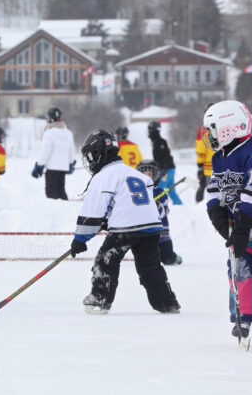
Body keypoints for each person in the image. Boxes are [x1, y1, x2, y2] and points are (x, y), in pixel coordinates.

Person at [71, 129, 180, 315]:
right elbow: (130, 203)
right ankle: (167, 303)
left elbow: (93, 211)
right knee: (150, 268)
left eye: (91, 156)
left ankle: (99, 299)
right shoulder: (136, 174)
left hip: (126, 229)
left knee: (105, 261)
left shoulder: (104, 176)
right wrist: (110, 219)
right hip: (151, 226)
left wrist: (80, 238)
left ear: (99, 152)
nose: (90, 161)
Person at [203, 100, 252, 340]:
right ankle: (242, 318)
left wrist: (242, 226)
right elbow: (215, 189)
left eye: (212, 129)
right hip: (241, 229)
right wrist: (218, 217)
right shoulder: (220, 157)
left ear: (229, 127)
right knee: (240, 272)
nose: (209, 134)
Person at [137, 159, 182, 265]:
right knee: (146, 261)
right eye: (143, 174)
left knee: (168, 260)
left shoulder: (159, 192)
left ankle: (175, 258)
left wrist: (156, 205)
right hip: (144, 236)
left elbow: (163, 211)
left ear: (155, 176)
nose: (146, 177)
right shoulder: (137, 193)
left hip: (161, 236)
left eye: (149, 174)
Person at [31, 106, 77, 200]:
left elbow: (45, 151)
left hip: (52, 168)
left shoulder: (49, 133)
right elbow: (71, 150)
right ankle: (65, 207)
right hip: (63, 168)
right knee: (61, 190)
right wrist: (71, 163)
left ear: (49, 118)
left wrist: (39, 166)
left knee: (51, 192)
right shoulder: (68, 133)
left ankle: (55, 212)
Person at [148, 120, 183, 205]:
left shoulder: (160, 142)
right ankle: (181, 208)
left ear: (154, 130)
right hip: (168, 169)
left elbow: (165, 156)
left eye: (150, 129)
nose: (149, 132)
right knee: (171, 192)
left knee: (158, 190)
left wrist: (163, 169)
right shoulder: (155, 142)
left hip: (166, 170)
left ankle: (158, 208)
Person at [195, 103, 215, 202]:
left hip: (209, 168)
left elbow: (201, 150)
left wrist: (199, 165)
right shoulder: (223, 126)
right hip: (225, 166)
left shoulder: (203, 130)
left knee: (211, 193)